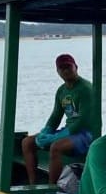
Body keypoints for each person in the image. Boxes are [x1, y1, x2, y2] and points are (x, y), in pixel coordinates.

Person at [21, 53, 97, 186]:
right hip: (69, 131)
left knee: (56, 146)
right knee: (27, 142)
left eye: (68, 67)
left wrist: (58, 137)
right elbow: (56, 116)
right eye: (62, 68)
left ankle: (51, 189)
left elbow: (83, 121)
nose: (66, 70)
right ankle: (32, 186)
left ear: (76, 67)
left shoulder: (86, 88)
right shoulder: (61, 91)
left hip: (86, 134)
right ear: (57, 71)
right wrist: (46, 132)